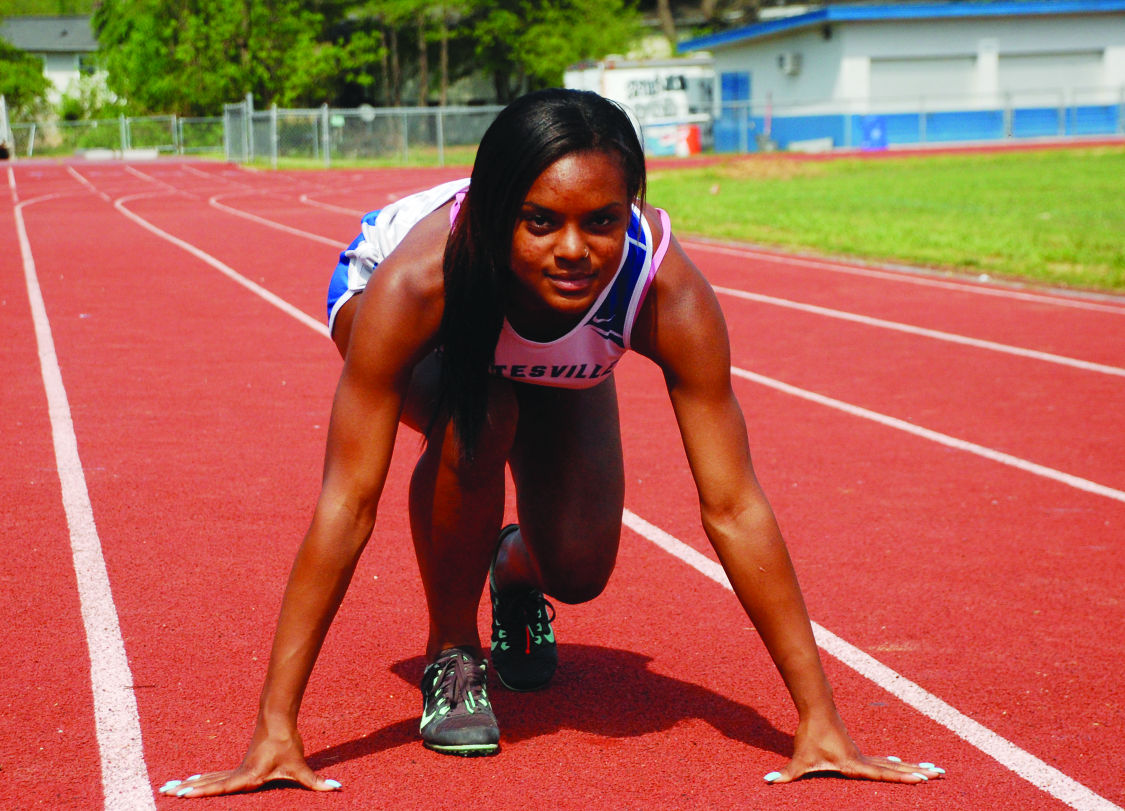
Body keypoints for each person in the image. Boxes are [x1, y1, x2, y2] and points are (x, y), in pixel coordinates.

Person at [159, 89, 943, 798]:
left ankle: (513, 565)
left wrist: (819, 718)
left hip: (555, 347)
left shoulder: (661, 288)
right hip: (432, 326)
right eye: (542, 221)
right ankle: (453, 652)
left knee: (579, 567)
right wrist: (275, 726)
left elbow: (733, 503)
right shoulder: (419, 279)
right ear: (500, 211)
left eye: (600, 221)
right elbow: (347, 501)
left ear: (629, 210)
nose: (574, 249)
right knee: (484, 413)